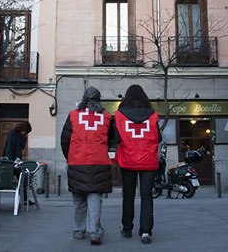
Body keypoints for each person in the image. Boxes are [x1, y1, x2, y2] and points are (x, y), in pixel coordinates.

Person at [61, 86, 115, 245]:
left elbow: (65, 141)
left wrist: (70, 157)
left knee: (78, 200)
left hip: (77, 162)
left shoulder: (73, 116)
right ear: (99, 100)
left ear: (84, 99)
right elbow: (111, 139)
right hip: (99, 162)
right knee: (95, 198)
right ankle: (95, 233)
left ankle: (79, 231)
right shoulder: (106, 117)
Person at [113, 84, 161, 245]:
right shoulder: (153, 115)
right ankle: (146, 231)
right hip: (148, 159)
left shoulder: (120, 115)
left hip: (128, 159)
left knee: (128, 194)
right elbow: (158, 138)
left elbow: (117, 139)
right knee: (147, 195)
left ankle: (127, 228)